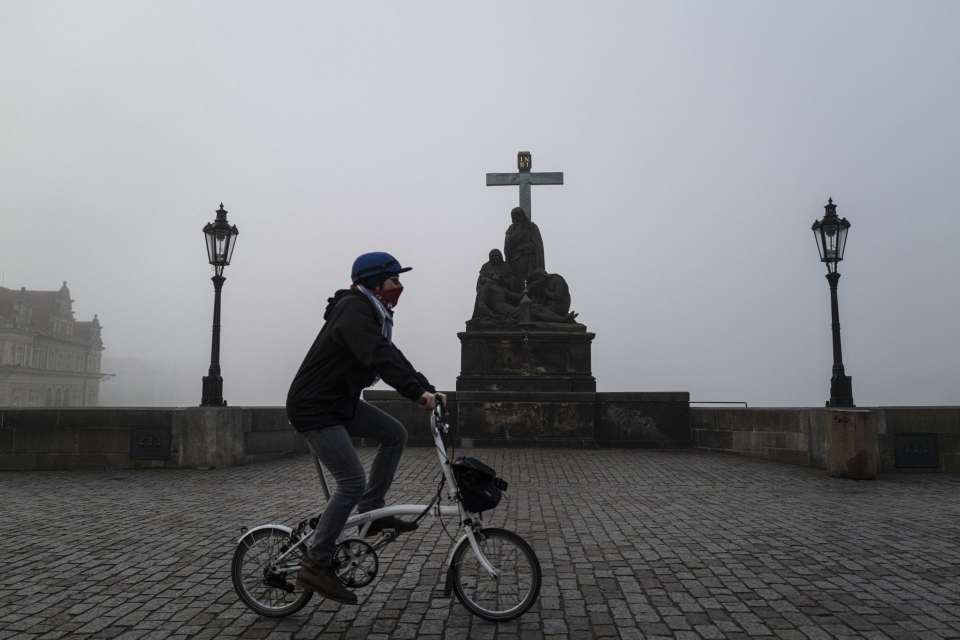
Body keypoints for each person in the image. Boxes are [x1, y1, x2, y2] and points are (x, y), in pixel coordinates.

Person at [286, 251, 445, 605]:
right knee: (351, 481)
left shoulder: (374, 312)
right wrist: (416, 394)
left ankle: (372, 515)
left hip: (338, 401)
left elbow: (394, 355)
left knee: (395, 434)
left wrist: (427, 388)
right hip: (315, 406)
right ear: (375, 282)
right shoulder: (354, 309)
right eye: (394, 280)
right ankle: (316, 562)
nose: (400, 287)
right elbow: (377, 355)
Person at [503, 207, 545, 293]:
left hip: (530, 261)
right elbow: (508, 247)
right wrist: (518, 230)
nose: (517, 219)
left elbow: (537, 246)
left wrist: (523, 247)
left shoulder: (532, 227)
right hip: (515, 262)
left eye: (519, 216)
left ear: (523, 216)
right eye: (514, 217)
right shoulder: (511, 229)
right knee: (517, 284)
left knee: (530, 282)